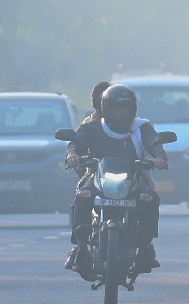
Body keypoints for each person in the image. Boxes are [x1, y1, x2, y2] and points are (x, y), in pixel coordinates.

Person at [64, 83, 168, 279]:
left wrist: (159, 158)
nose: (121, 112)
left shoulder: (142, 127)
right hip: (97, 176)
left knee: (149, 197)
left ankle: (146, 248)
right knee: (82, 196)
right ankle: (81, 249)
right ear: (105, 108)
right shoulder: (92, 127)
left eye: (126, 107)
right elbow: (75, 144)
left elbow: (155, 144)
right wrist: (72, 155)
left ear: (133, 108)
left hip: (135, 176)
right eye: (116, 107)